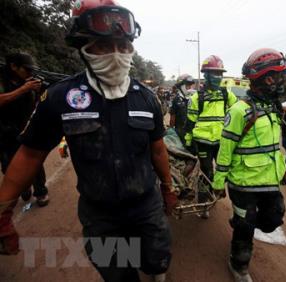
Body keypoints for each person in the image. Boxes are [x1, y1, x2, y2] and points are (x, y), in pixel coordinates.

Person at [0, 1, 177, 281]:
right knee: (118, 275)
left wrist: (167, 187)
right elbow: (30, 155)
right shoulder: (60, 98)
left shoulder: (146, 97)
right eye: (103, 46)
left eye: (123, 45)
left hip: (146, 205)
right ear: (83, 47)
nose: (116, 54)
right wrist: (3, 209)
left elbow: (157, 150)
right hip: (100, 214)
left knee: (158, 261)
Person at [213, 48, 286, 282]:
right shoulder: (240, 110)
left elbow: (274, 145)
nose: (281, 81)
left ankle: (240, 220)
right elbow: (226, 148)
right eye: (277, 76)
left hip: (269, 180)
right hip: (243, 183)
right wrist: (219, 182)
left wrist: (283, 168)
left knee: (274, 218)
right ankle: (239, 264)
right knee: (246, 228)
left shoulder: (274, 107)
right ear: (266, 78)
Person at [185, 55, 237, 217]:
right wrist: (188, 141)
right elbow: (190, 122)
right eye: (214, 73)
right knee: (207, 171)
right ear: (205, 75)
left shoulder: (227, 95)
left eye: (220, 74)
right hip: (203, 142)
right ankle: (203, 203)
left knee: (225, 171)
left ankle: (221, 195)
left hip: (222, 141)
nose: (218, 77)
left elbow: (237, 114)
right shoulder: (196, 98)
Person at [0, 53, 49, 207]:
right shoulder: (3, 79)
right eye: (26, 69)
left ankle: (40, 191)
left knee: (33, 159)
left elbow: (42, 100)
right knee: (8, 165)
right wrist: (23, 89)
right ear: (14, 66)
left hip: (25, 126)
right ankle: (23, 186)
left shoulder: (30, 80)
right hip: (4, 130)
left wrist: (41, 90)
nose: (29, 73)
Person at [169, 74, 195, 144]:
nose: (189, 87)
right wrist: (171, 130)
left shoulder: (194, 98)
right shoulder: (176, 99)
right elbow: (172, 117)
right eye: (187, 85)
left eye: (190, 85)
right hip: (180, 131)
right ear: (181, 86)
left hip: (193, 131)